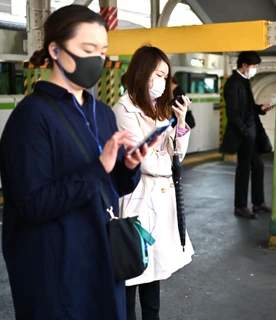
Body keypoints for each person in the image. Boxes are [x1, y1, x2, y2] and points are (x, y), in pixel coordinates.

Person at [0, 5, 156, 319]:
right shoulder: (31, 117)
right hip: (55, 270)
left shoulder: (102, 113)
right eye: (88, 49)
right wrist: (98, 168)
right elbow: (32, 204)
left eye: (103, 50)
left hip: (101, 256)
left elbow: (113, 188)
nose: (97, 59)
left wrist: (128, 167)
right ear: (55, 50)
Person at [113, 45, 194, 320]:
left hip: (159, 201)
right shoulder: (123, 110)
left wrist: (181, 125)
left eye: (165, 76)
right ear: (143, 73)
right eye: (158, 74)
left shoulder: (157, 109)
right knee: (133, 270)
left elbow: (177, 156)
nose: (163, 82)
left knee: (153, 273)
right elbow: (146, 161)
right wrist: (167, 159)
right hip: (138, 201)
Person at [220, 51, 274, 219]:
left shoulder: (245, 81)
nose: (255, 69)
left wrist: (260, 108)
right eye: (253, 66)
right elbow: (233, 113)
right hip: (244, 135)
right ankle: (240, 206)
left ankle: (258, 203)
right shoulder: (233, 83)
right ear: (244, 65)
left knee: (258, 166)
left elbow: (247, 108)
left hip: (252, 132)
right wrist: (245, 132)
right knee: (243, 170)